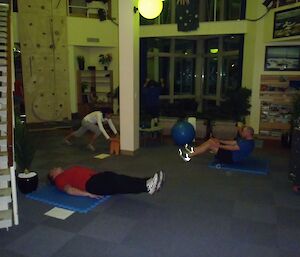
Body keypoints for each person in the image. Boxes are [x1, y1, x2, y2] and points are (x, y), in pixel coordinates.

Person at [48, 166, 165, 197]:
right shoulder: (59, 179)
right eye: (52, 170)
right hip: (91, 184)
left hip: (96, 178)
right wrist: (87, 194)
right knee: (119, 182)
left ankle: (149, 182)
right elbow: (69, 190)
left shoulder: (64, 174)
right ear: (53, 176)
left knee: (121, 180)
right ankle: (147, 186)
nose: (55, 168)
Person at [179, 126, 255, 163]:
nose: (242, 133)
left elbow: (232, 148)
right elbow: (233, 142)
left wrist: (219, 145)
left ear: (248, 133)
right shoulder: (245, 139)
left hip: (231, 157)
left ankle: (188, 156)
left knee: (211, 145)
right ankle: (193, 150)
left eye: (244, 131)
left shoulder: (248, 144)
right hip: (230, 152)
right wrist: (219, 140)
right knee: (212, 140)